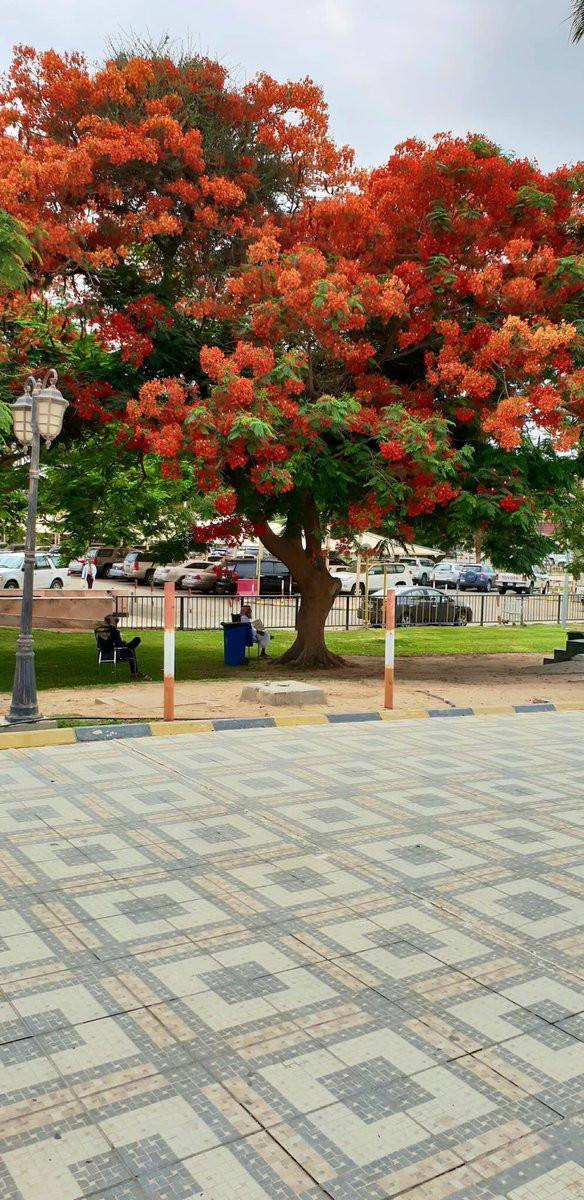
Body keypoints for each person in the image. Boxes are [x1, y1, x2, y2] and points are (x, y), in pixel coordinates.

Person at [94, 613, 152, 679]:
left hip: (103, 653)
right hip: (117, 654)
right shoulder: (114, 631)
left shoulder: (98, 630)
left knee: (131, 647)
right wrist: (124, 644)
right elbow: (119, 645)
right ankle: (134, 672)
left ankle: (134, 672)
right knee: (133, 645)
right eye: (116, 621)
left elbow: (107, 643)